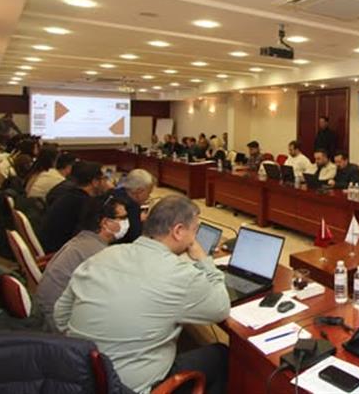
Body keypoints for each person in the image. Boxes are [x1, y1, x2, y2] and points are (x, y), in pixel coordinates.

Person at [54, 195, 230, 394]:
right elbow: (221, 308)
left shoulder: (101, 256)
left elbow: (60, 316)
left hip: (79, 379)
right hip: (130, 389)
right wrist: (204, 260)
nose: (194, 239)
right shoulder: (179, 275)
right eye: (195, 231)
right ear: (179, 231)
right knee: (220, 355)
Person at [36, 195, 128, 327]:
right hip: (56, 322)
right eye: (122, 218)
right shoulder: (97, 253)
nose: (126, 222)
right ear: (105, 223)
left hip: (48, 311)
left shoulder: (84, 240)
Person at [41, 161, 107, 254]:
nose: (107, 182)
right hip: (60, 253)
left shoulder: (71, 196)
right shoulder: (84, 203)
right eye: (105, 178)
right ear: (95, 182)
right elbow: (90, 236)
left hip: (54, 249)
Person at [113, 169, 155, 244]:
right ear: (139, 191)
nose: (148, 197)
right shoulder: (132, 206)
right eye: (148, 193)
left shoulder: (115, 192)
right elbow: (135, 236)